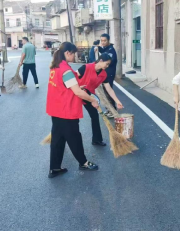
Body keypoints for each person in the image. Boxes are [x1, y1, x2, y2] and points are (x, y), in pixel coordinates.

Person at [46, 42, 99, 178]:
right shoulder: (66, 71)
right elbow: (78, 93)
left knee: (57, 140)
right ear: (68, 53)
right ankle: (83, 162)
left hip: (56, 110)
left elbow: (64, 87)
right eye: (74, 53)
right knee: (74, 138)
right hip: (66, 111)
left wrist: (78, 88)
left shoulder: (56, 67)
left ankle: (55, 168)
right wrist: (93, 100)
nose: (75, 56)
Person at [77, 53, 124, 146]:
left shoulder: (103, 74)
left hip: (88, 96)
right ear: (101, 60)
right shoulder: (85, 67)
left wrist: (117, 101)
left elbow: (109, 89)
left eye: (108, 65)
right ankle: (61, 136)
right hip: (76, 93)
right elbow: (72, 78)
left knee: (94, 116)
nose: (107, 66)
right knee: (71, 118)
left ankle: (96, 140)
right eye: (107, 64)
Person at [97, 33, 117, 117]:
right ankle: (109, 109)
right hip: (104, 74)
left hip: (109, 74)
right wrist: (97, 48)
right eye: (101, 40)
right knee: (105, 92)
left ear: (108, 41)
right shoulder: (105, 49)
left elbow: (110, 60)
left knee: (108, 92)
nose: (103, 42)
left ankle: (113, 110)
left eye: (105, 40)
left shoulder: (111, 50)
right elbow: (102, 51)